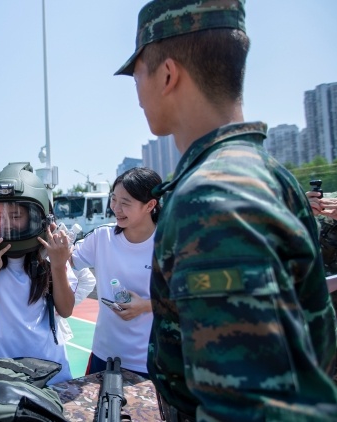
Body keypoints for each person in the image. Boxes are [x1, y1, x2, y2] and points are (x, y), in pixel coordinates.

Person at [117, 1, 337, 419]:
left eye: (138, 74)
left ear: (167, 74)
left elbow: (248, 406)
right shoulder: (271, 176)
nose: (137, 93)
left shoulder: (212, 198)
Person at [0, 162, 76, 385]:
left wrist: (58, 265)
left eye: (15, 216)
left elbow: (66, 309)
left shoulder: (50, 249)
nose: (5, 223)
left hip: (49, 367)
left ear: (37, 217)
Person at [71, 167, 161, 379]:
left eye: (125, 203)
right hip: (104, 356)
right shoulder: (102, 238)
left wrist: (146, 306)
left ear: (150, 205)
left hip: (148, 362)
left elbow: (188, 300)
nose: (116, 209)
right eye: (113, 200)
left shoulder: (168, 244)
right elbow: (68, 261)